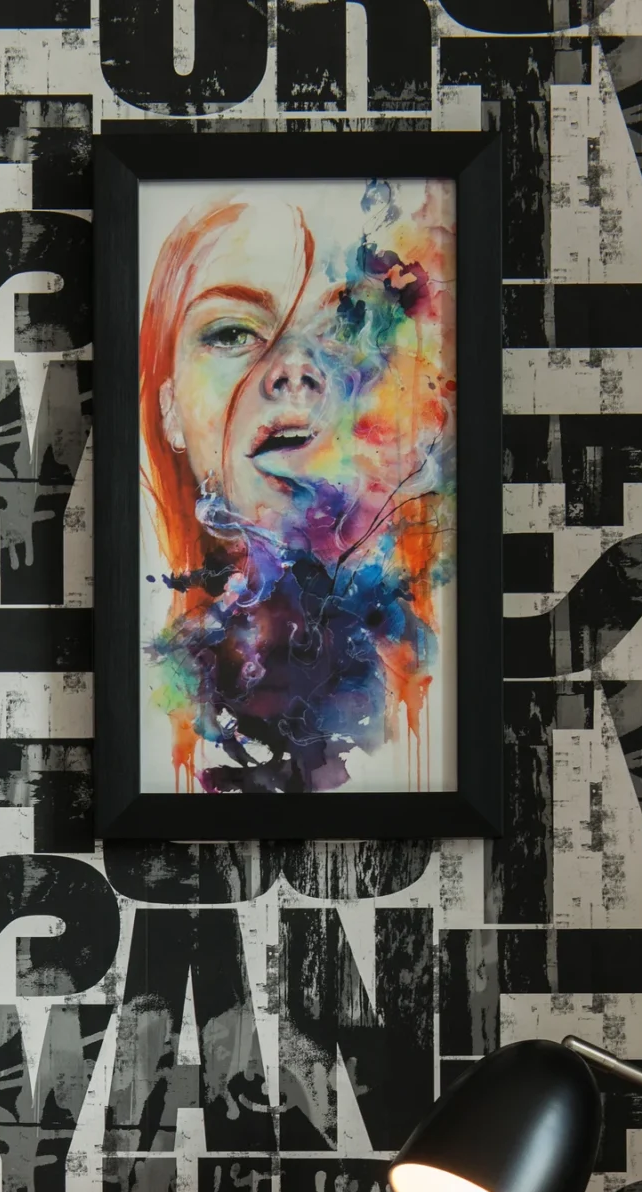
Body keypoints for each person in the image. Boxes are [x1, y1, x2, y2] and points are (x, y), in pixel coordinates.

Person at [138, 178, 453, 795]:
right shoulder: (158, 696)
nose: (294, 370)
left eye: (344, 323)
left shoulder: (424, 699)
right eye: (231, 333)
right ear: (169, 406)